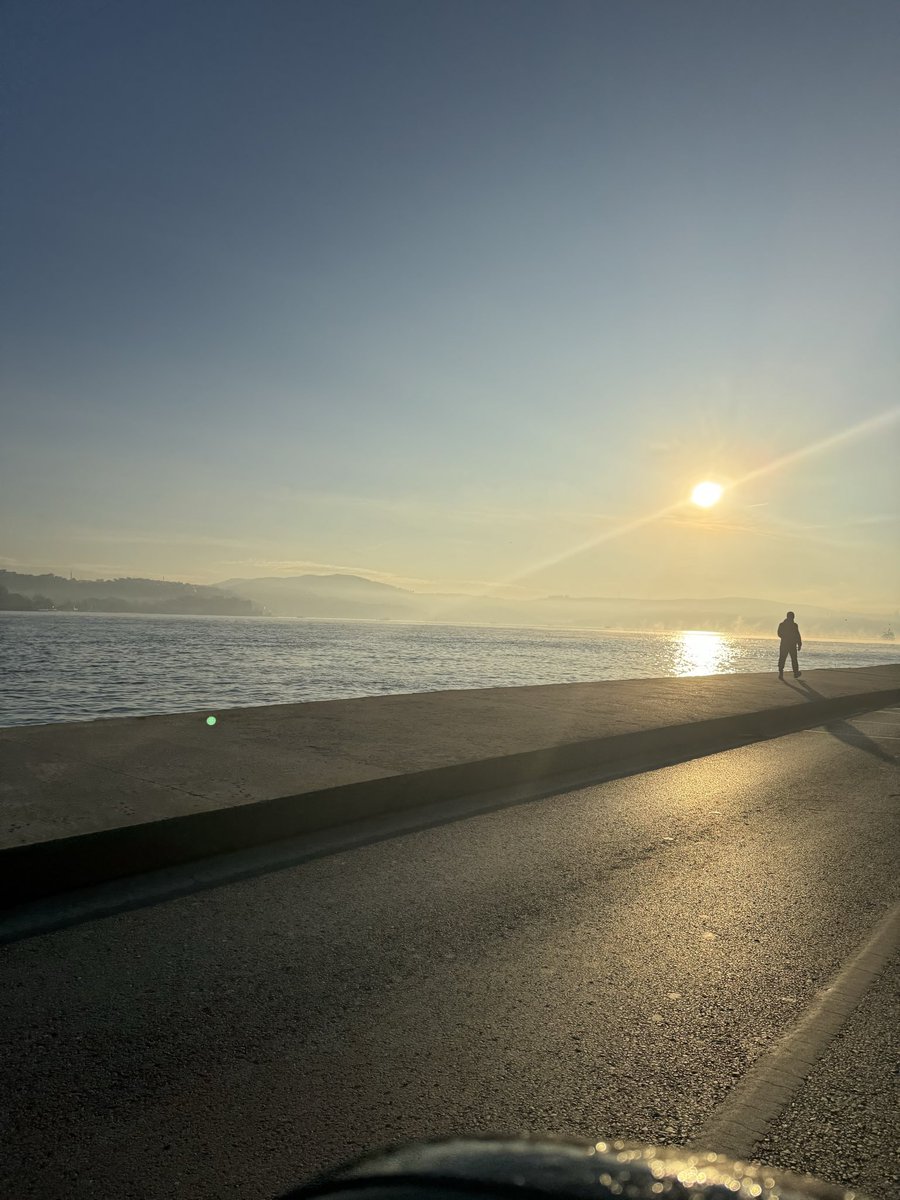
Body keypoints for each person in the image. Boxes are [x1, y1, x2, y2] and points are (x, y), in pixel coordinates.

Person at [777, 610, 802, 678]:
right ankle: (793, 672)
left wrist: (799, 643)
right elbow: (797, 635)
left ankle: (783, 672)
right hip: (790, 645)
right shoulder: (790, 625)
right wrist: (799, 643)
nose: (793, 618)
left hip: (786, 644)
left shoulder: (784, 624)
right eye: (792, 616)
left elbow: (779, 634)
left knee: (785, 658)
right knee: (791, 659)